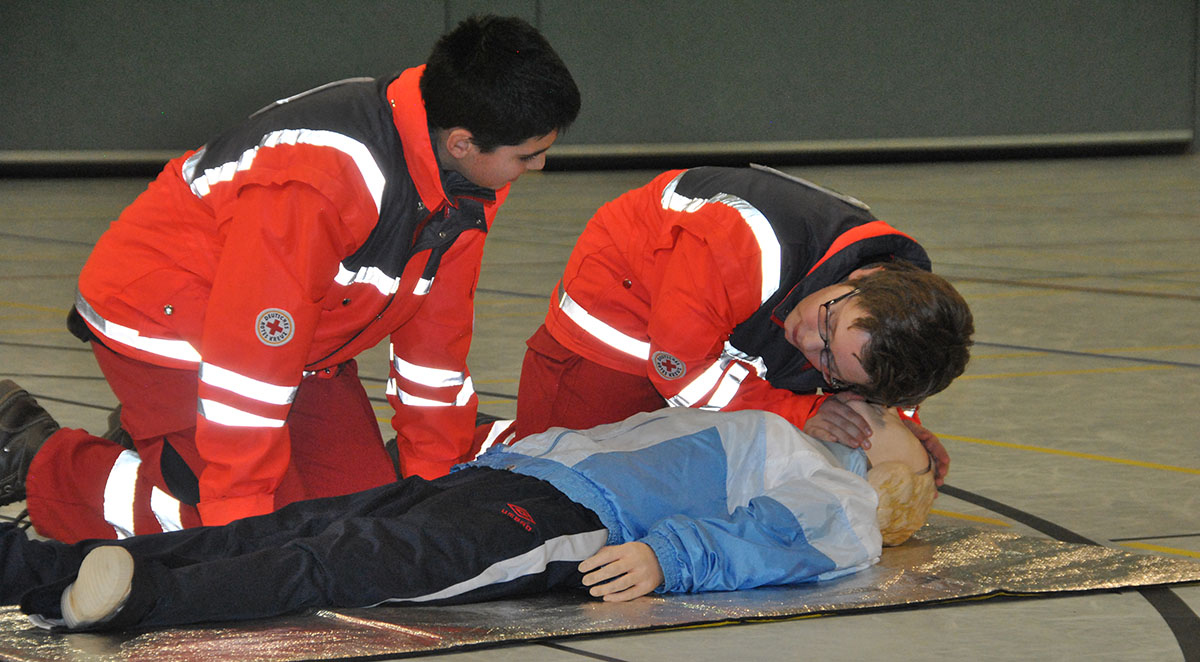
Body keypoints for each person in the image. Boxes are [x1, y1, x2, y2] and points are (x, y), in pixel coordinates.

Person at [0, 15, 581, 543]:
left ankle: (164, 446)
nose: (539, 167)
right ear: (462, 141)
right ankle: (38, 455)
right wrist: (239, 518)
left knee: (366, 524)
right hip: (171, 330)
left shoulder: (469, 177)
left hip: (298, 346)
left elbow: (436, 344)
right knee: (262, 529)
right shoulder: (319, 181)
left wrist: (434, 482)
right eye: (529, 154)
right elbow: (246, 366)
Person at [2, 401, 935, 632]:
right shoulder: (772, 420)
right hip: (508, 476)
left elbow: (795, 539)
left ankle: (139, 604)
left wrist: (668, 557)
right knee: (296, 524)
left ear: (901, 484)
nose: (880, 417)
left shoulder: (843, 492)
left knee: (358, 559)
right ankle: (32, 572)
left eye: (897, 430)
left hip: (566, 519)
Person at [512, 165, 973, 483]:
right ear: (864, 277)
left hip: (727, 315)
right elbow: (685, 376)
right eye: (828, 324)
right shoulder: (739, 245)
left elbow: (871, 385)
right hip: (627, 309)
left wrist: (900, 428)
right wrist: (802, 412)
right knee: (559, 473)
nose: (807, 341)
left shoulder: (895, 305)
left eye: (829, 361)